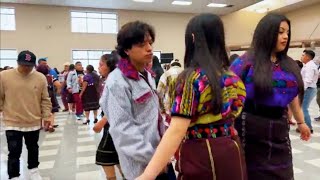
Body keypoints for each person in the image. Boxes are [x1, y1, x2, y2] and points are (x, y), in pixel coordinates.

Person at [137, 13, 247, 180]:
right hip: (232, 149)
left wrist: (147, 175)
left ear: (193, 38)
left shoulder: (193, 79)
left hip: (203, 154)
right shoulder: (233, 78)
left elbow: (176, 130)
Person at [230, 13, 311, 180]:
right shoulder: (244, 63)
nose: (285, 37)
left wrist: (301, 122)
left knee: (283, 174)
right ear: (266, 33)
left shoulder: (288, 64)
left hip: (279, 131)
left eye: (287, 32)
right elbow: (229, 97)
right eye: (280, 32)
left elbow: (293, 96)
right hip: (249, 131)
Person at [100, 21, 169, 179]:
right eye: (141, 44)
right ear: (126, 49)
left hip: (159, 156)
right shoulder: (117, 82)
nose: (149, 48)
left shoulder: (146, 74)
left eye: (150, 43)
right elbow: (123, 131)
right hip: (141, 165)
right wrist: (154, 159)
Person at [0, 50, 52, 180]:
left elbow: (45, 99)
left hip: (33, 121)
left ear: (34, 65)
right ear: (17, 63)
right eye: (23, 65)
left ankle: (34, 171)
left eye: (29, 66)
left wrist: (46, 116)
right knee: (14, 151)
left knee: (33, 148)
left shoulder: (40, 78)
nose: (26, 68)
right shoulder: (4, 76)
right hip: (12, 121)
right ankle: (14, 176)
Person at [93, 52, 124, 180]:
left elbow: (118, 105)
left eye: (101, 65)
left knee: (105, 155)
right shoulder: (110, 80)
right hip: (113, 125)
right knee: (117, 158)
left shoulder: (115, 82)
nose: (99, 67)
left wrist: (102, 122)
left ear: (110, 66)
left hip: (114, 125)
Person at [36, 64, 61, 132]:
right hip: (50, 95)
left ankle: (43, 125)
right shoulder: (51, 77)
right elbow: (58, 84)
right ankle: (51, 125)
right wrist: (57, 91)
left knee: (41, 111)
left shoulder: (36, 78)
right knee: (51, 111)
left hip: (39, 96)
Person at [299, 49, 318, 133]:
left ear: (307, 57)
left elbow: (308, 80)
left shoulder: (310, 66)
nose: (301, 56)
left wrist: (301, 90)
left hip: (308, 89)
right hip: (309, 89)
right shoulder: (308, 65)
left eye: (303, 55)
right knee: (303, 108)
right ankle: (305, 126)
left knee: (303, 108)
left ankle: (308, 128)